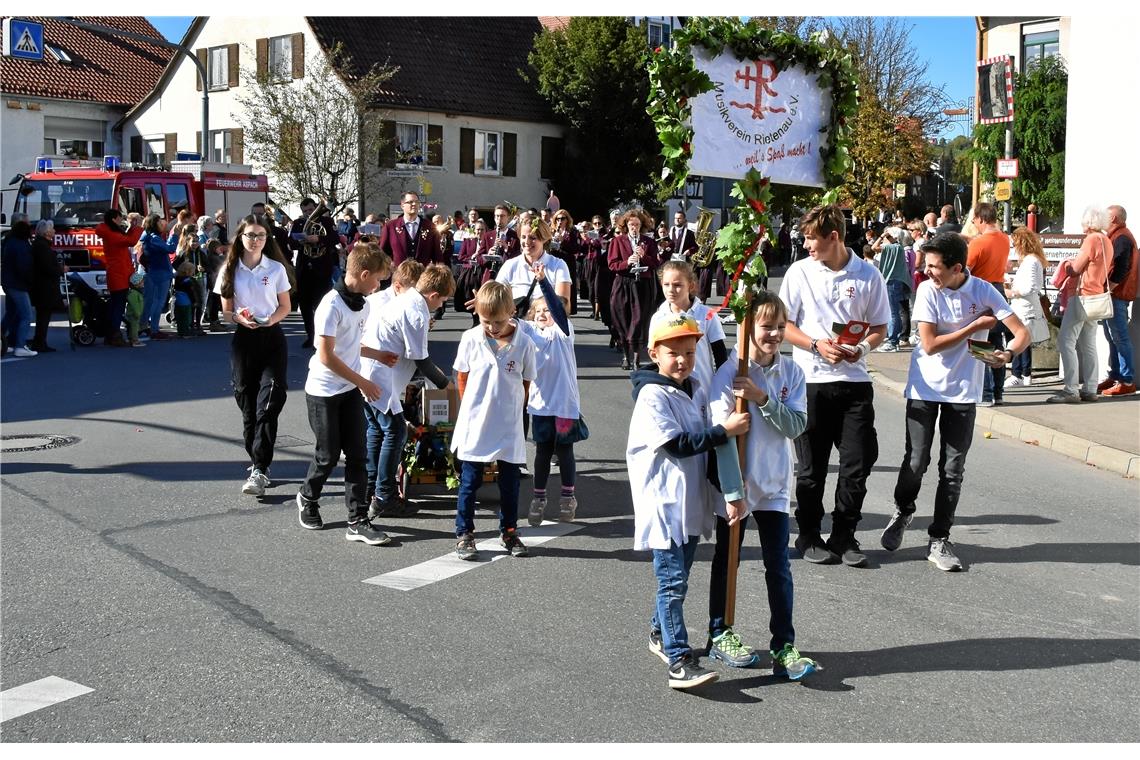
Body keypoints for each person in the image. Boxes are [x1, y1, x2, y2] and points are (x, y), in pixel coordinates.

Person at [882, 232, 1029, 571]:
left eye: (933, 266)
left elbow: (1022, 333)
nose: (926, 271)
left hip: (962, 391)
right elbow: (930, 344)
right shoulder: (926, 290)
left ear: (957, 268)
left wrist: (1006, 354)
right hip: (924, 388)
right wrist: (974, 326)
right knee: (916, 461)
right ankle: (903, 511)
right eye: (926, 264)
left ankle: (939, 539)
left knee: (952, 470)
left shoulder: (983, 290)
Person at [627, 314, 750, 690]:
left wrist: (730, 490)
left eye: (689, 351)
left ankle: (658, 633)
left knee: (677, 578)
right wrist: (722, 431)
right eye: (673, 352)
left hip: (689, 501)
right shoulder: (652, 395)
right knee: (672, 582)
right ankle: (679, 661)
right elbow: (678, 445)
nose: (682, 359)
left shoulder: (695, 387)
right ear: (654, 353)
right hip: (663, 502)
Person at [704, 290, 820, 680]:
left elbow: (796, 426)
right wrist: (733, 493)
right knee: (729, 560)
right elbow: (721, 436)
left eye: (780, 327)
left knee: (779, 565)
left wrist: (762, 398)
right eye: (766, 326)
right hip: (738, 484)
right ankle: (719, 632)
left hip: (773, 483)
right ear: (748, 328)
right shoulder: (729, 374)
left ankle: (783, 644)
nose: (774, 334)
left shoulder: (792, 374)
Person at [778, 204, 890, 567]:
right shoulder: (799, 272)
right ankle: (808, 534)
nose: (807, 246)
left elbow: (879, 328)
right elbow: (784, 325)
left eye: (812, 239)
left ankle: (844, 535)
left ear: (834, 237)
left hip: (855, 385)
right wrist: (815, 345)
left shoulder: (868, 274)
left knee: (856, 466)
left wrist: (860, 348)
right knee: (811, 470)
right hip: (810, 383)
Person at [295, 245, 396, 545]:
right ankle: (307, 497)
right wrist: (363, 381)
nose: (379, 286)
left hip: (350, 389)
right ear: (364, 275)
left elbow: (351, 344)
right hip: (324, 391)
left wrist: (377, 354)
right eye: (377, 280)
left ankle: (357, 520)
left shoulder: (363, 304)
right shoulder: (330, 305)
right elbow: (326, 356)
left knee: (357, 454)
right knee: (327, 455)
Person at [451, 281, 537, 561]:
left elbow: (526, 381)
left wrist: (515, 409)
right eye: (486, 321)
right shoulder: (471, 338)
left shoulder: (524, 342)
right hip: (476, 423)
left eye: (498, 321)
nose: (492, 327)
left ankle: (509, 531)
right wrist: (470, 407)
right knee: (470, 480)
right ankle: (464, 532)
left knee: (510, 482)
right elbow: (461, 375)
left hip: (508, 425)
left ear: (512, 311)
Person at [362, 263, 455, 520]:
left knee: (376, 431)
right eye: (443, 300)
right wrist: (448, 386)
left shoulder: (406, 300)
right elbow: (422, 360)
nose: (442, 305)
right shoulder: (416, 311)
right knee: (395, 432)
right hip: (381, 378)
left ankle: (372, 488)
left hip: (369, 372)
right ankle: (384, 496)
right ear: (434, 295)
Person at [216, 215, 296, 497]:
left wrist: (270, 320)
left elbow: (285, 306)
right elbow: (226, 312)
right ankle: (256, 461)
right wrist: (238, 316)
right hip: (244, 340)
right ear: (240, 237)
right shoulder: (230, 269)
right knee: (248, 407)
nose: (256, 240)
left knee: (269, 403)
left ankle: (260, 468)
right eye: (250, 235)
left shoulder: (275, 269)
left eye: (261, 235)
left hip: (271, 337)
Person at [520, 264, 583, 525]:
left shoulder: (563, 332)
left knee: (565, 450)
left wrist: (544, 282)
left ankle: (568, 498)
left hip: (565, 405)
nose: (544, 314)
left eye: (547, 310)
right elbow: (509, 319)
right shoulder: (529, 333)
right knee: (543, 451)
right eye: (538, 311)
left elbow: (558, 310)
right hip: (541, 406)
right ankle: (539, 498)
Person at [1048, 206, 1114, 404]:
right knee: (1089, 344)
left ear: (1088, 222)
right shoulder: (1107, 241)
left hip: (1082, 296)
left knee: (1066, 341)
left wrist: (1067, 265)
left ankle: (1070, 389)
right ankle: (1090, 388)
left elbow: (1075, 269)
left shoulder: (1091, 239)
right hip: (1096, 297)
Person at [649, 260, 728, 394]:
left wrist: (723, 384)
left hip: (704, 387)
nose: (671, 290)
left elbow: (720, 353)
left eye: (677, 285)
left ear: (690, 286)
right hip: (672, 389)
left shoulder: (706, 314)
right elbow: (654, 354)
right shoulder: (658, 317)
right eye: (666, 284)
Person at [966, 203, 1012, 406]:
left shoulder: (978, 242)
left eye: (974, 220)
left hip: (980, 291)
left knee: (980, 343)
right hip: (999, 289)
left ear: (981, 219)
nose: (974, 224)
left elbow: (965, 269)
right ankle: (998, 393)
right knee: (997, 342)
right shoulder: (1004, 239)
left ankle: (984, 394)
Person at [608, 208, 661, 370]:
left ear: (641, 225)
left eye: (637, 224)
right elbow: (612, 264)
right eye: (631, 224)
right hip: (623, 283)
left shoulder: (648, 242)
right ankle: (626, 356)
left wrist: (644, 256)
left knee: (639, 321)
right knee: (623, 319)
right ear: (626, 225)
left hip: (642, 284)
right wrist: (627, 262)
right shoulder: (617, 241)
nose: (634, 227)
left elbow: (656, 265)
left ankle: (637, 358)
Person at [290, 198, 339, 348]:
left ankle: (322, 337)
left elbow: (335, 238)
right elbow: (290, 242)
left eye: (311, 210)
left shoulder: (327, 222)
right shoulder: (298, 224)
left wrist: (318, 238)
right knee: (305, 305)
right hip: (304, 269)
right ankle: (310, 336)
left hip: (322, 267)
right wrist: (300, 241)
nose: (308, 213)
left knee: (321, 304)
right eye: (305, 211)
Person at [1004, 227, 1050, 386]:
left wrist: (1012, 292)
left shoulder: (1030, 261)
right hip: (1026, 306)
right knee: (1024, 339)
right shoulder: (1033, 260)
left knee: (1020, 339)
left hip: (1025, 306)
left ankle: (1018, 374)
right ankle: (1024, 374)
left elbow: (1031, 287)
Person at [1099, 205, 1137, 396]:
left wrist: (1108, 288)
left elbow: (1122, 266)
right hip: (1114, 296)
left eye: (1105, 216)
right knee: (1112, 337)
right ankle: (1115, 376)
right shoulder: (1118, 235)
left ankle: (1126, 380)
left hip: (1116, 296)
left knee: (1120, 338)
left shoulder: (1121, 237)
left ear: (1113, 218)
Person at [495, 218, 572, 310]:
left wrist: (544, 283)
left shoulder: (558, 265)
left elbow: (564, 306)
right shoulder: (510, 265)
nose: (527, 242)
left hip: (547, 322)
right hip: (518, 322)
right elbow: (496, 298)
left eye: (533, 237)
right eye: (523, 237)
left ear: (544, 239)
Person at [94, 208, 143, 347]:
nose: (122, 220)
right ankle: (114, 335)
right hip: (119, 274)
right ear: (114, 219)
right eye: (120, 218)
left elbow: (126, 238)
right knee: (118, 307)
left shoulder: (110, 232)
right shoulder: (111, 234)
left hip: (118, 273)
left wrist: (132, 227)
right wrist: (137, 227)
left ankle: (112, 334)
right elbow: (131, 241)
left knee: (117, 305)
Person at [378, 191, 445, 273]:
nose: (414, 204)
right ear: (402, 205)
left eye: (417, 202)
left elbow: (437, 255)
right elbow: (382, 253)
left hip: (422, 278)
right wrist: (389, 266)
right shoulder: (391, 226)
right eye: (410, 202)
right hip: (399, 277)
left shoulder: (430, 226)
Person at [138, 213, 177, 342]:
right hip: (159, 272)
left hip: (149, 272)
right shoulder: (154, 238)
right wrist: (174, 235)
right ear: (154, 224)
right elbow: (170, 249)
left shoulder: (146, 237)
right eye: (160, 222)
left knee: (148, 301)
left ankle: (142, 328)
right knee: (158, 301)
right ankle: (154, 330)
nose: (163, 224)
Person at [872, 226, 912, 351]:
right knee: (898, 311)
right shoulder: (899, 248)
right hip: (899, 281)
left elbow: (874, 247)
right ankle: (896, 339)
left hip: (891, 281)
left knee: (892, 312)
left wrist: (881, 236)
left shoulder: (889, 247)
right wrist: (888, 236)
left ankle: (892, 341)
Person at [29, 220, 66, 353]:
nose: (55, 231)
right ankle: (39, 342)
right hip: (44, 288)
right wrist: (61, 270)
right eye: (53, 229)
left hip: (43, 287)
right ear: (47, 232)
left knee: (43, 316)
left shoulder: (40, 245)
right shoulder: (42, 247)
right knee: (43, 316)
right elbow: (47, 268)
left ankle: (39, 341)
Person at [1, 219, 36, 357]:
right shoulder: (22, 245)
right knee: (26, 315)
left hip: (9, 282)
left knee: (11, 313)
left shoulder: (10, 242)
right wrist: (30, 281)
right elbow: (23, 267)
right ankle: (20, 346)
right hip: (18, 284)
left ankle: (3, 341)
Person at [455, 218, 487, 325]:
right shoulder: (468, 241)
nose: (480, 232)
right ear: (474, 230)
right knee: (468, 294)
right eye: (478, 229)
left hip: (481, 272)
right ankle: (474, 318)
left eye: (482, 230)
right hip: (468, 271)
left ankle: (479, 320)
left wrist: (479, 259)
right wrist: (471, 259)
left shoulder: (487, 243)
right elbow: (461, 256)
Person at [549, 209, 581, 314]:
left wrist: (563, 241)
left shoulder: (572, 232)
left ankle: (567, 311)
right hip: (553, 262)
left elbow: (576, 248)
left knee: (566, 287)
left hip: (567, 262)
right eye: (557, 219)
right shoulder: (551, 230)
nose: (560, 221)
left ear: (567, 220)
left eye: (562, 218)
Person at [172, 260, 200, 338]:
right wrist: (194, 301)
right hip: (186, 302)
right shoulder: (188, 281)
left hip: (178, 301)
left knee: (179, 318)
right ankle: (186, 332)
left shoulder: (177, 278)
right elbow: (191, 292)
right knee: (186, 318)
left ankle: (180, 331)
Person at [124, 271, 146, 347]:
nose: (143, 282)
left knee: (133, 327)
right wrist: (138, 313)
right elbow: (135, 305)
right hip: (134, 314)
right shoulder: (133, 293)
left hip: (135, 313)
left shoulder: (137, 292)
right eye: (142, 281)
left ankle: (131, 339)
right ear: (137, 284)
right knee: (134, 327)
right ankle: (135, 341)